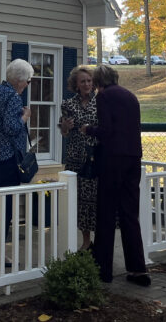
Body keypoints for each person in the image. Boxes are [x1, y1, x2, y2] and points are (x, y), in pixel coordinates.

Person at [84, 64, 151, 286]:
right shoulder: (131, 96)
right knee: (129, 213)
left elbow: (106, 131)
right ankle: (138, 269)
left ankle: (103, 269)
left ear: (98, 82)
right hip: (134, 157)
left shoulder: (104, 98)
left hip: (112, 160)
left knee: (106, 212)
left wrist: (88, 129)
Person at [0, 58, 34, 267]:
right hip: (8, 157)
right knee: (5, 206)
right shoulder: (13, 96)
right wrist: (24, 117)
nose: (27, 85)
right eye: (28, 81)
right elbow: (11, 128)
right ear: (19, 80)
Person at [59, 65, 99, 252]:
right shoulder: (68, 104)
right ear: (76, 84)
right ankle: (86, 241)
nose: (87, 84)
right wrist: (65, 127)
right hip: (76, 157)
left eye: (89, 81)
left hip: (96, 156)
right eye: (83, 81)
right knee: (80, 200)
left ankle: (100, 240)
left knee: (96, 199)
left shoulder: (100, 101)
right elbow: (64, 134)